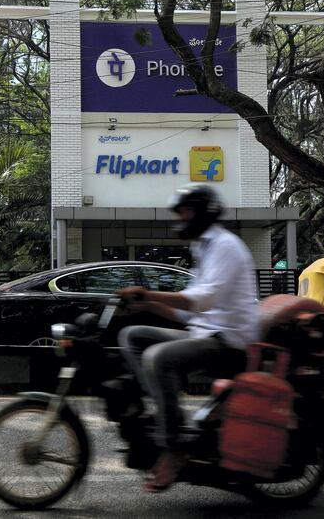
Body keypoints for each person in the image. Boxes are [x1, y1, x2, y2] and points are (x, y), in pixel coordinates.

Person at [116, 184, 260, 492]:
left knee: (159, 357)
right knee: (133, 336)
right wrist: (149, 306)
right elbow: (190, 314)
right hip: (205, 332)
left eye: (186, 211)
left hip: (231, 342)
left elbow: (202, 300)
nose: (181, 217)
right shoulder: (203, 247)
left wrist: (148, 293)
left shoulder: (226, 246)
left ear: (203, 212)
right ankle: (169, 416)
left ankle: (174, 449)